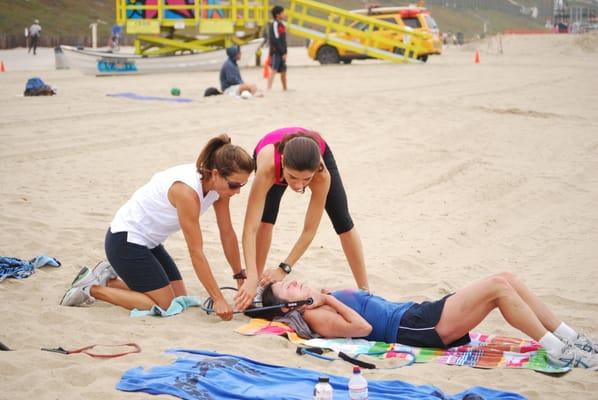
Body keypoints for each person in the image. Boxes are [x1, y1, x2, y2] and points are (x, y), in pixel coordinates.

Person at [60, 135, 254, 321]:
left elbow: (227, 233)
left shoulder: (218, 189)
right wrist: (218, 299)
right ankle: (91, 289)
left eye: (242, 186)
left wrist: (239, 275)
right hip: (125, 240)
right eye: (234, 185)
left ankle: (108, 280)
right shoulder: (186, 192)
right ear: (216, 173)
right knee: (166, 304)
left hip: (150, 244)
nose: (237, 191)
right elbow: (196, 252)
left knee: (179, 296)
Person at [258, 272, 598, 370]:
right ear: (290, 308)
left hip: (418, 314)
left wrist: (325, 293)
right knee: (498, 288)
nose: (295, 282)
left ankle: (569, 337)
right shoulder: (317, 314)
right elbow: (362, 329)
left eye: (290, 279)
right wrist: (328, 298)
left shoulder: (316, 301)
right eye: (288, 289)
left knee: (506, 278)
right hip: (415, 327)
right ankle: (558, 349)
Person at [235, 127, 369, 311]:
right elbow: (250, 229)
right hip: (269, 156)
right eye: (292, 177)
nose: (298, 185)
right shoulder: (267, 167)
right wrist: (250, 276)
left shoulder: (322, 175)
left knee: (343, 222)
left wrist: (284, 269)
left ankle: (366, 291)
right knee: (265, 222)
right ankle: (256, 285)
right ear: (282, 163)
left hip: (315, 150)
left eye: (306, 179)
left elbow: (309, 230)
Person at [267, 5, 287, 91]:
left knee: (283, 72)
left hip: (282, 52)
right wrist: (282, 52)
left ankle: (285, 89)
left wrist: (285, 52)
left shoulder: (282, 25)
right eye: (283, 13)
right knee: (274, 70)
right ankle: (268, 89)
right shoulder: (274, 24)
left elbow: (283, 40)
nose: (284, 14)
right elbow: (275, 39)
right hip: (276, 52)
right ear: (277, 14)